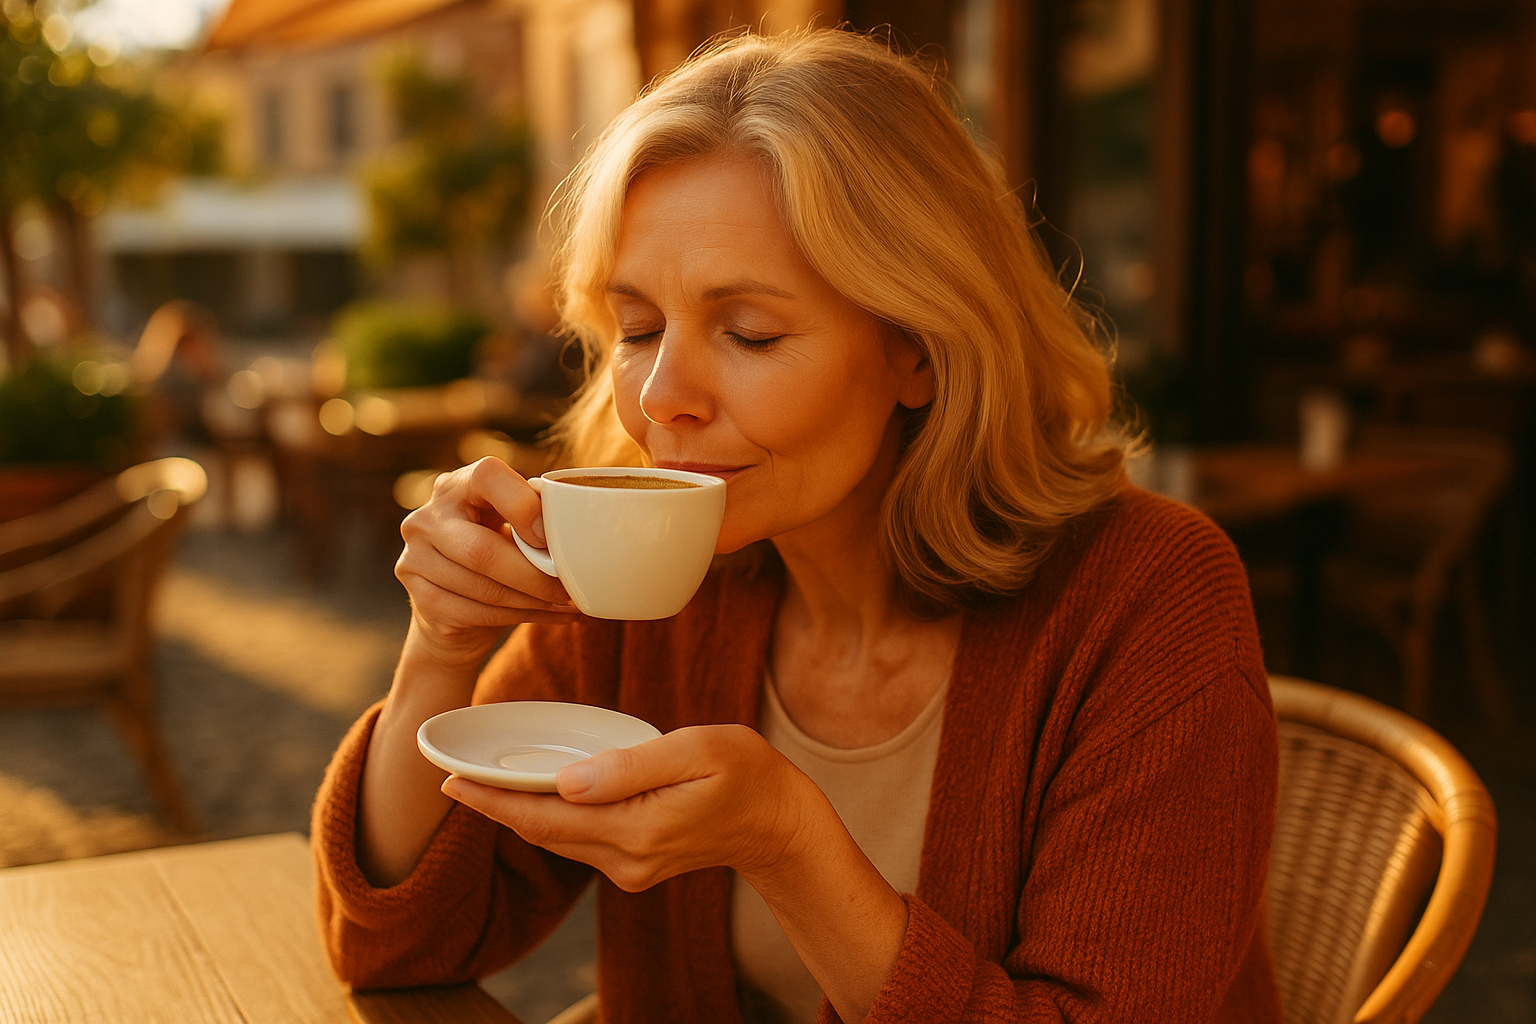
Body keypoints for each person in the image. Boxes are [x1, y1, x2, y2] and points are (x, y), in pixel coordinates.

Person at [312, 28, 1279, 1024]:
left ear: (919, 348)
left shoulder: (1148, 595)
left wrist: (785, 842)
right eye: (638, 328)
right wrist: (441, 646)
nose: (660, 399)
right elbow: (396, 945)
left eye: (750, 332)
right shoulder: (650, 580)